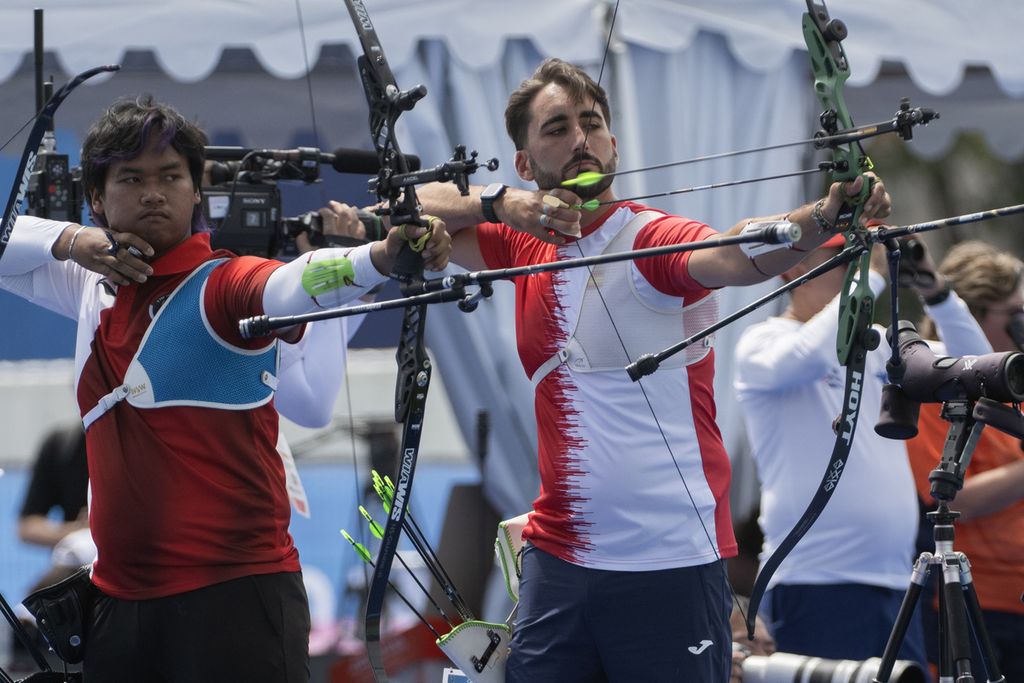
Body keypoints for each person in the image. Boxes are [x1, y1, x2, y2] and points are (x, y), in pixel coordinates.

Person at [412, 57, 892, 682]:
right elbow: (409, 208)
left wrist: (823, 217)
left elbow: (736, 251)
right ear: (525, 163)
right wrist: (503, 204)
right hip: (559, 557)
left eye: (591, 123)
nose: (580, 138)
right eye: (556, 128)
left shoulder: (651, 239)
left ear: (613, 142)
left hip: (668, 560)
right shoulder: (521, 241)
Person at [2, 95, 450, 683]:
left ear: (195, 192)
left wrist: (380, 258)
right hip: (120, 606)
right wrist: (69, 239)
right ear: (97, 199)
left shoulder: (225, 284)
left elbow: (292, 282)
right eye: (131, 179)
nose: (153, 193)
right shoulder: (89, 283)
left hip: (235, 604)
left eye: (171, 177)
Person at [732, 234, 990, 668]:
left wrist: (934, 288)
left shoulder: (880, 344)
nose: (854, 267)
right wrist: (870, 272)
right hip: (815, 583)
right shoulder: (763, 343)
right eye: (841, 258)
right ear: (795, 269)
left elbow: (978, 369)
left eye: (858, 257)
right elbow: (811, 354)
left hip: (896, 583)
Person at [905, 241, 1024, 681]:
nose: (1022, 325)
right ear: (972, 315)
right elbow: (955, 497)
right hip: (970, 598)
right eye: (1012, 314)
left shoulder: (1017, 379)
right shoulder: (933, 381)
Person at [17, 423, 88, 548]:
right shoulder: (61, 445)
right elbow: (27, 526)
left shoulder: (133, 441)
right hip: (79, 558)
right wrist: (79, 531)